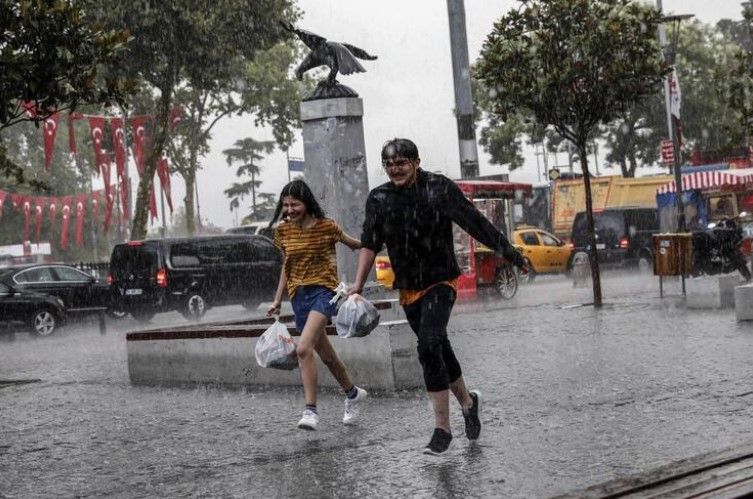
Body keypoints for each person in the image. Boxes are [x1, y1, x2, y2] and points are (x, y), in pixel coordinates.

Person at [348, 138, 528, 455]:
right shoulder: (379, 198)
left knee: (428, 345)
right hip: (409, 287)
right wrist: (357, 285)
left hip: (441, 281)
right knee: (439, 349)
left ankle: (442, 429)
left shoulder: (438, 188)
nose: (395, 169)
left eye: (402, 162)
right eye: (389, 164)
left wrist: (511, 254)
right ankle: (468, 403)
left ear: (417, 162)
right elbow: (369, 243)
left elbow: (475, 223)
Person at [266, 180, 367, 431]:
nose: (289, 210)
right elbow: (286, 267)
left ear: (307, 203)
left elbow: (356, 245)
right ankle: (353, 393)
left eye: (295, 204)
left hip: (324, 292)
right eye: (286, 205)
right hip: (299, 296)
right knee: (327, 356)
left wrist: (380, 242)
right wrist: (278, 300)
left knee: (302, 349)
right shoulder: (283, 231)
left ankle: (310, 410)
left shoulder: (327, 227)